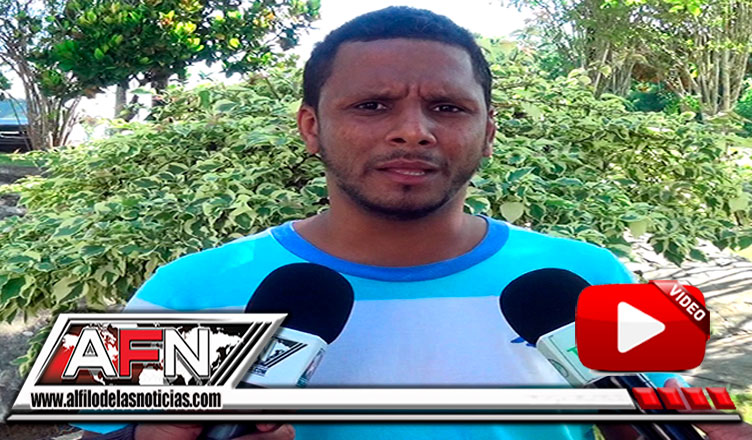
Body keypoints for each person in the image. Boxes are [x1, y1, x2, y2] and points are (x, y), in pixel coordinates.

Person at [82, 6, 752, 440]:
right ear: (311, 128)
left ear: (488, 131)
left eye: (448, 107)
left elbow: (661, 423)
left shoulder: (588, 277)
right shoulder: (186, 290)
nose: (413, 131)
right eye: (372, 105)